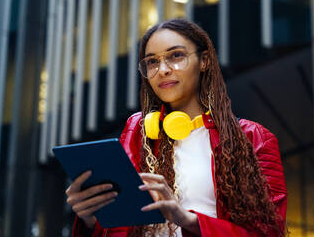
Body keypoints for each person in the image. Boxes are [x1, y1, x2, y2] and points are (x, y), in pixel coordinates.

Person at [66, 18, 287, 237]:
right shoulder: (137, 129)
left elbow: (268, 233)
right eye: (152, 61)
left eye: (176, 56)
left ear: (204, 61)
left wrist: (186, 219)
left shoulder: (254, 137)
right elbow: (119, 226)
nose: (163, 69)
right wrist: (91, 218)